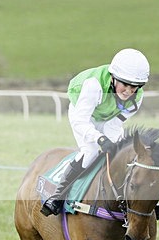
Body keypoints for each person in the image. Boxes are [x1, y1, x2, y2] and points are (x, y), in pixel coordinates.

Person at [40, 48, 150, 217]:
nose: (129, 91)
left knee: (122, 152)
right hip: (83, 114)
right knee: (91, 151)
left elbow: (114, 124)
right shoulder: (94, 85)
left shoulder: (138, 97)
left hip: (109, 119)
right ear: (113, 78)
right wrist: (99, 139)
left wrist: (111, 142)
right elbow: (81, 121)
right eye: (125, 85)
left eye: (134, 87)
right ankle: (57, 197)